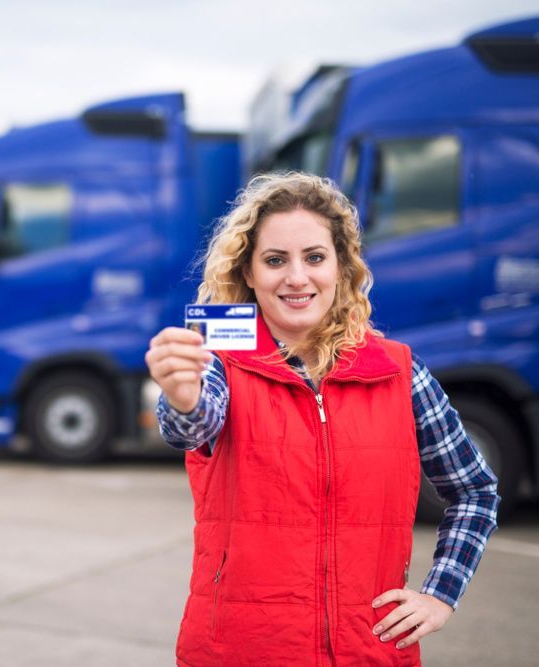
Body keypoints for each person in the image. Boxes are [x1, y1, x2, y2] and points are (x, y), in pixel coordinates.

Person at [145, 172, 500, 666]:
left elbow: (475, 491)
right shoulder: (220, 361)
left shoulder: (399, 372)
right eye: (275, 260)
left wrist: (440, 593)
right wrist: (182, 397)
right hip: (238, 652)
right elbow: (195, 426)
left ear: (341, 267)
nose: (297, 277)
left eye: (314, 257)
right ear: (248, 273)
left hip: (368, 654)